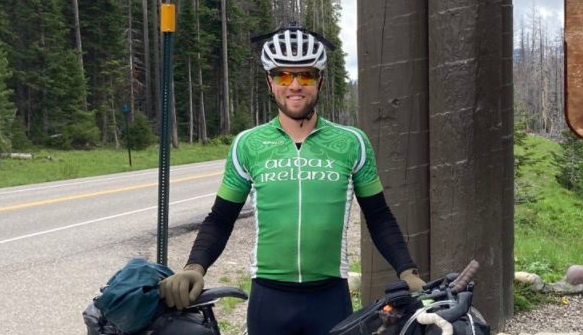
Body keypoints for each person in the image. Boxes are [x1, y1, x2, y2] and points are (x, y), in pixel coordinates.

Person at [158, 23, 423, 335]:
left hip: (331, 298)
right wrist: (194, 267)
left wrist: (408, 271)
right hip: (269, 299)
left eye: (306, 75)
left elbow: (379, 216)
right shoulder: (248, 144)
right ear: (270, 82)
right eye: (284, 75)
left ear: (320, 81)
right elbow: (221, 218)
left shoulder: (352, 142)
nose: (295, 84)